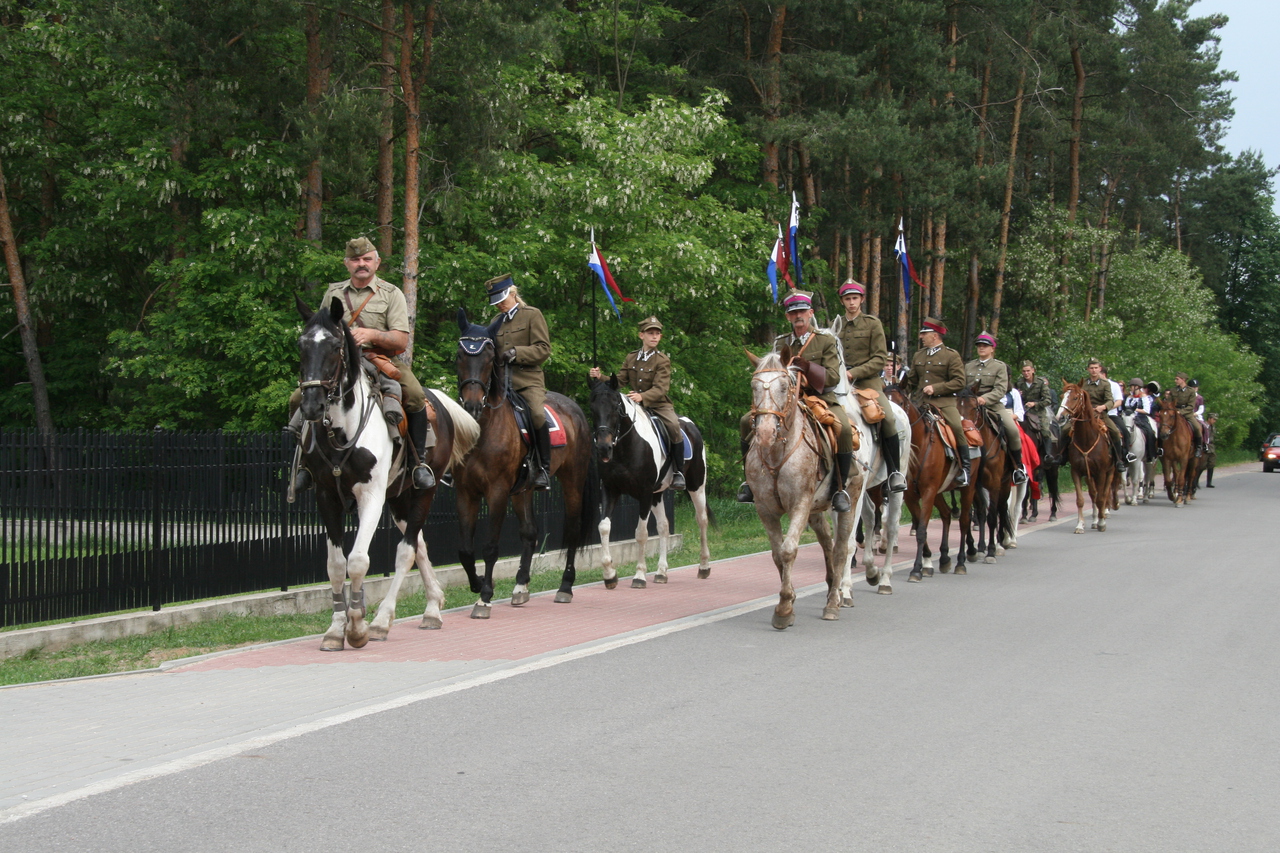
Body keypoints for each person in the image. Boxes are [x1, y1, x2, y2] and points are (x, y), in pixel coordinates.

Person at [289, 237, 434, 491]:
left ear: (377, 263)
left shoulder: (391, 294)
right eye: (355, 259)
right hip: (338, 362)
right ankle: (305, 465)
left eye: (367, 259)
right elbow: (320, 331)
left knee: (414, 395)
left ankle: (418, 463)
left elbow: (401, 339)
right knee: (297, 399)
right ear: (347, 264)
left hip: (380, 359)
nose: (361, 264)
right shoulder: (333, 293)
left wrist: (372, 335)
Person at [738, 290, 854, 511]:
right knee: (746, 421)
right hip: (784, 400)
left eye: (802, 311)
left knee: (844, 429)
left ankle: (839, 488)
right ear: (787, 317)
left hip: (819, 398)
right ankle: (750, 482)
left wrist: (808, 368)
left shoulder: (825, 340)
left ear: (810, 313)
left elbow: (833, 376)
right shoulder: (781, 341)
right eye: (793, 312)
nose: (798, 316)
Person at [589, 316, 686, 490]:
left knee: (673, 426)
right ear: (642, 335)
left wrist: (643, 397)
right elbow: (619, 381)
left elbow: (661, 388)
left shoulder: (662, 360)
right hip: (635, 404)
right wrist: (600, 377)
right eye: (650, 333)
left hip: (658, 404)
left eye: (657, 334)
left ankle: (679, 472)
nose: (654, 337)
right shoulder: (631, 357)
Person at [832, 279, 905, 492]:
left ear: (862, 299)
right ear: (842, 301)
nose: (852, 302)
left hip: (868, 383)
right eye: (847, 299)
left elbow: (880, 358)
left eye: (855, 298)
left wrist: (853, 372)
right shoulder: (837, 326)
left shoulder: (872, 324)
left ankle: (894, 472)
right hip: (839, 384)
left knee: (888, 419)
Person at [487, 274, 553, 489]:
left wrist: (516, 352)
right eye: (496, 302)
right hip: (498, 383)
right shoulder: (495, 322)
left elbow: (543, 349)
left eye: (502, 300)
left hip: (526, 380)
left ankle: (543, 467)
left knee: (536, 413)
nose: (499, 305)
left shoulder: (532, 315)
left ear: (513, 294)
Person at [903, 316, 970, 487]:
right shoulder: (919, 355)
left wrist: (936, 388)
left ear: (935, 335)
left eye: (924, 334)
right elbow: (911, 381)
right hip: (921, 404)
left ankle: (965, 469)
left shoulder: (951, 355)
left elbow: (959, 381)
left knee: (956, 427)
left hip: (944, 403)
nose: (921, 336)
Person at [965, 332, 1027, 484]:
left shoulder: (999, 366)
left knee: (1012, 431)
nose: (981, 348)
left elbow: (1000, 389)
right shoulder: (968, 366)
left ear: (992, 348)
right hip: (969, 406)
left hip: (993, 406)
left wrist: (984, 399)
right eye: (979, 345)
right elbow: (963, 386)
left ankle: (1017, 467)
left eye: (985, 346)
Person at [1073, 358, 1132, 471]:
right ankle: (1062, 457)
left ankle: (1119, 460)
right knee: (1066, 430)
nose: (1094, 370)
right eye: (1091, 368)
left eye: (1096, 368)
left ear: (1100, 369)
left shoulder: (1106, 384)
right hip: (1085, 415)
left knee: (1115, 432)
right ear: (1088, 369)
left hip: (1101, 414)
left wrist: (1103, 407)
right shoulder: (1083, 384)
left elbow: (1110, 400)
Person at [1016, 360, 1054, 446]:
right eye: (1024, 371)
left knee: (1045, 431)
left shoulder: (1041, 383)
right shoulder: (1019, 383)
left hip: (1038, 412)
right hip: (1023, 411)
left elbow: (1047, 400)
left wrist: (1035, 404)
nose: (1026, 373)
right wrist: (1018, 395)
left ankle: (1048, 455)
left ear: (1033, 370)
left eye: (1028, 371)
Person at [1169, 372, 1204, 456]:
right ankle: (1160, 448)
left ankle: (1199, 447)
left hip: (1187, 413)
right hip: (1174, 413)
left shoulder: (1191, 391)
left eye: (1177, 379)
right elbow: (1169, 403)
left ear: (1183, 380)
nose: (1175, 381)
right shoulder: (1173, 390)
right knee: (1163, 426)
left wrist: (1180, 412)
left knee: (1197, 427)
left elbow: (1191, 406)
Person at [1203, 413, 1218, 487]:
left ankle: (1209, 482)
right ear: (1209, 418)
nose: (1214, 421)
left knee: (1211, 464)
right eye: (1213, 419)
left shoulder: (1213, 427)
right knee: (1202, 465)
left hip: (1211, 446)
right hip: (1205, 445)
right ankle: (1195, 482)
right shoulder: (1204, 425)